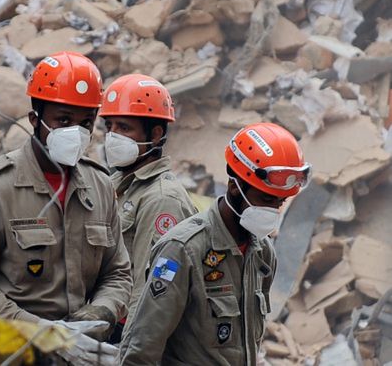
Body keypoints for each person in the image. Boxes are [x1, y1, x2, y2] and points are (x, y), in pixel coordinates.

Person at [0, 51, 132, 337]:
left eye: (86, 123)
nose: (76, 131)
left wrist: (101, 311)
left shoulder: (100, 186)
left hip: (83, 348)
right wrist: (40, 332)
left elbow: (117, 272)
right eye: (63, 120)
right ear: (35, 119)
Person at [120, 122, 312, 365]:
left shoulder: (263, 254)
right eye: (266, 198)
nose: (274, 209)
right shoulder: (183, 249)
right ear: (234, 187)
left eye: (280, 202)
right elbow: (141, 348)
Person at [98, 74, 197, 340]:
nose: (112, 137)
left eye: (124, 128)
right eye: (109, 126)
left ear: (155, 135)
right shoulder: (117, 182)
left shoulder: (162, 199)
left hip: (124, 332)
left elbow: (149, 293)